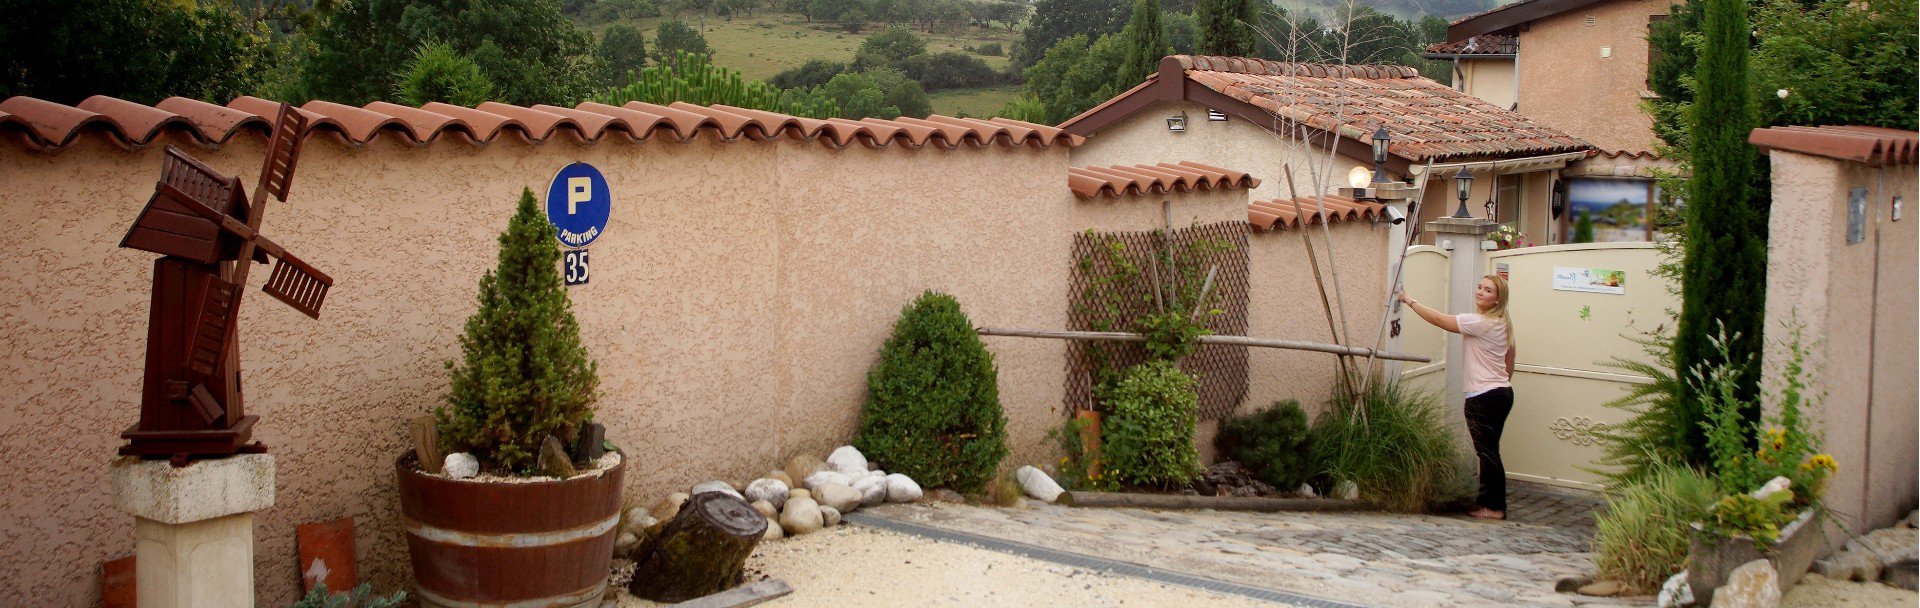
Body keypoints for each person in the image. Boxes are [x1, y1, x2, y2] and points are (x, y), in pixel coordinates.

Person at [1396, 274, 1515, 520]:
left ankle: (1494, 507)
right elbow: (1510, 356)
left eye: (1488, 290)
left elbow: (1440, 320)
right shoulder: (1503, 323)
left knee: (1487, 452)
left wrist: (1409, 300)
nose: (1480, 292)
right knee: (1489, 451)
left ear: (1497, 300)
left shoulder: (1480, 322)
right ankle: (1488, 503)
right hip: (1500, 393)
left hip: (1484, 396)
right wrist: (1501, 382)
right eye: (1480, 287)